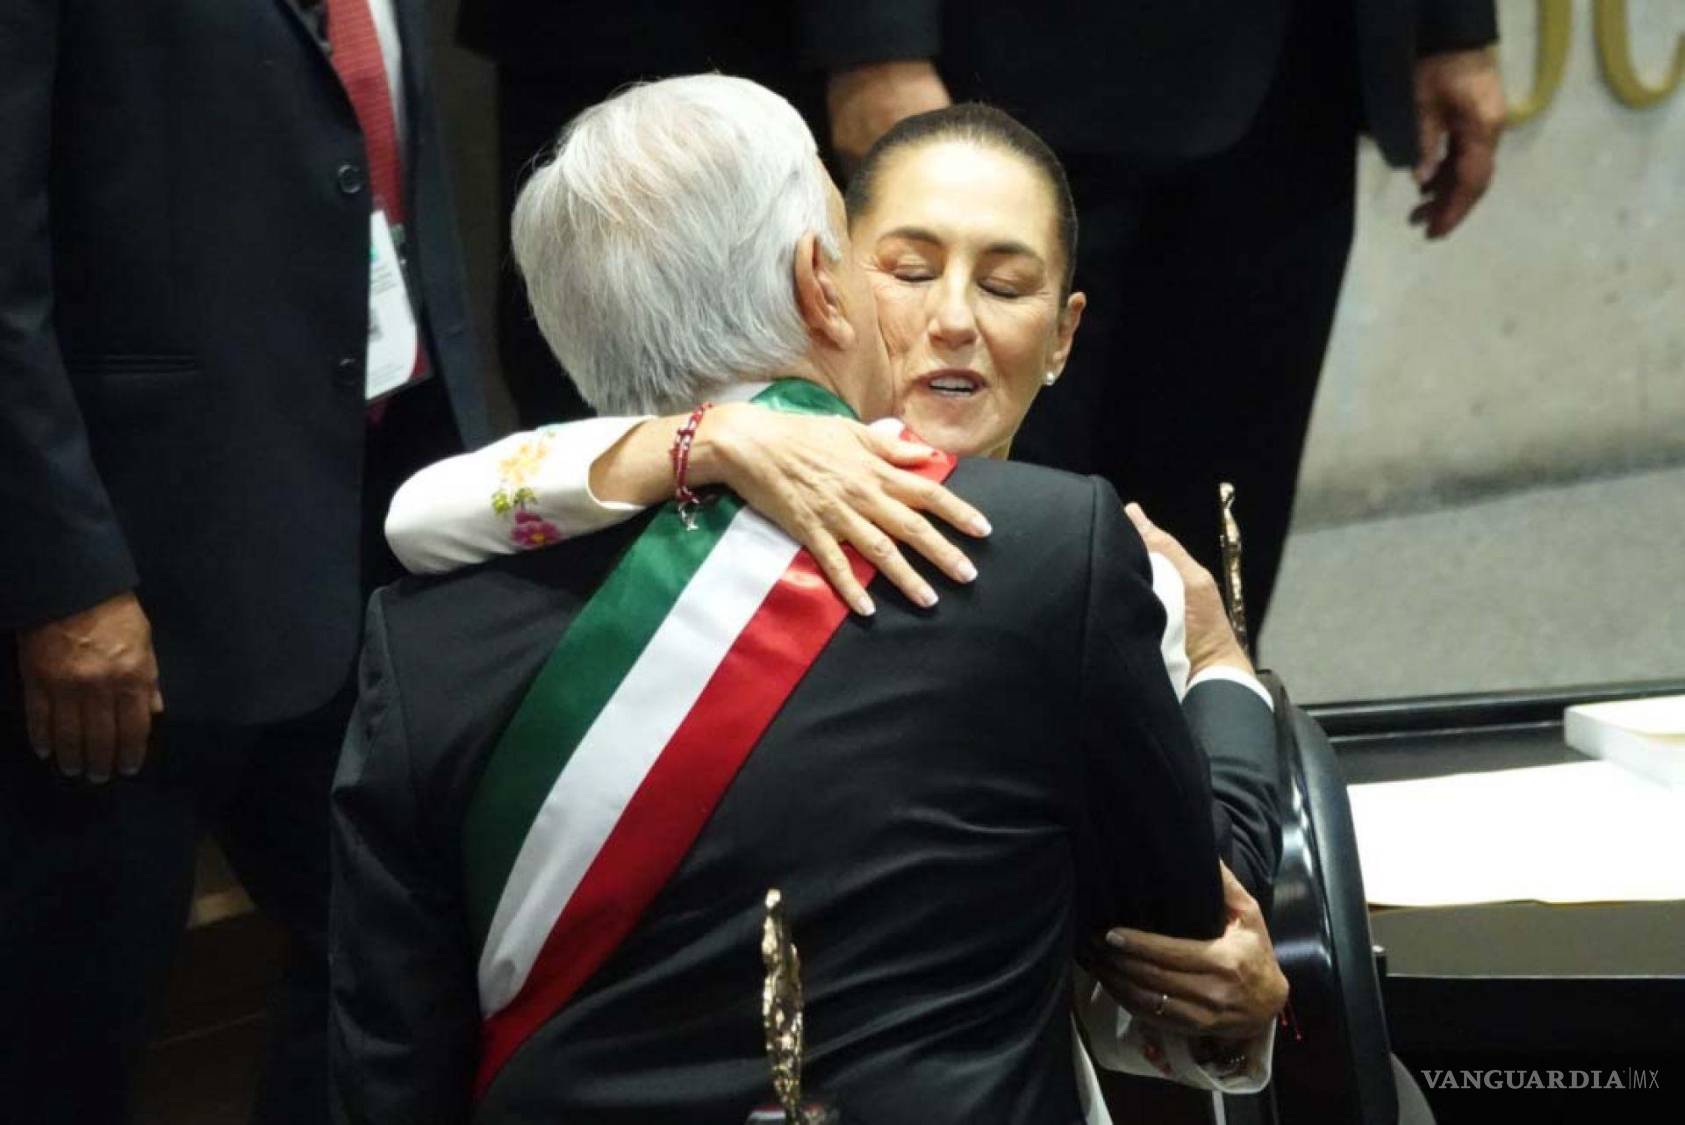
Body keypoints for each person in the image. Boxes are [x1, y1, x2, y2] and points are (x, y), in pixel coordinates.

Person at [331, 76, 1281, 1123]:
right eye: (898, 269)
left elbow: (391, 1070)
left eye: (1004, 283)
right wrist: (1224, 672)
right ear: (822, 283)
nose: (947, 319)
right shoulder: (1057, 556)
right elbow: (1186, 926)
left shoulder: (423, 634)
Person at [0, 2, 491, 1121]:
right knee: (64, 1029)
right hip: (132, 581)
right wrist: (63, 576)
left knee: (387, 963)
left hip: (373, 519)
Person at [805, 0, 1507, 634]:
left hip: (1294, 80)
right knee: (981, 541)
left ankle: (1209, 725)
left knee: (1221, 540)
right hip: (1013, 70)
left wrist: (1453, 25)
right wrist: (874, 44)